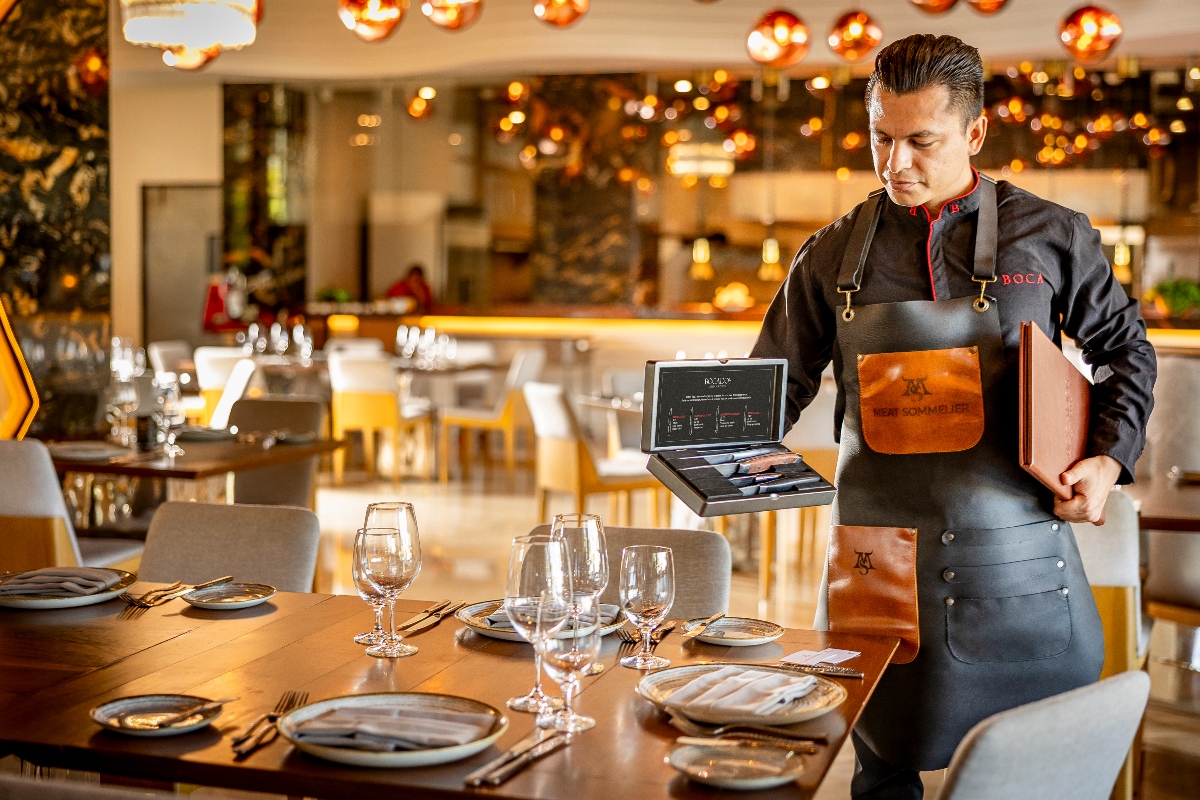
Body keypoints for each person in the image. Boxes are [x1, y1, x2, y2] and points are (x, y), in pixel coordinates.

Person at [752, 35, 1156, 799]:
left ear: (974, 135)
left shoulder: (1053, 236)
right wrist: (711, 440)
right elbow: (773, 387)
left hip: (1019, 568)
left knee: (1033, 777)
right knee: (881, 768)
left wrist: (1107, 458)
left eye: (920, 142)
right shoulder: (831, 254)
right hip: (877, 571)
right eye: (881, 138)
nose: (895, 163)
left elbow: (1125, 352)